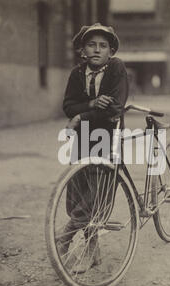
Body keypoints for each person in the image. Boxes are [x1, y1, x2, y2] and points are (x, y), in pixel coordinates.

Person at [57, 23, 129, 273]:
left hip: (107, 138)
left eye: (103, 46)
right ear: (82, 50)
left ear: (111, 51)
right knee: (78, 190)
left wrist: (80, 117)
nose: (97, 50)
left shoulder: (117, 68)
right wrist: (92, 103)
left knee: (97, 196)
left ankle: (66, 238)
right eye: (91, 45)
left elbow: (113, 110)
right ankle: (93, 249)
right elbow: (68, 105)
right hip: (82, 139)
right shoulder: (77, 74)